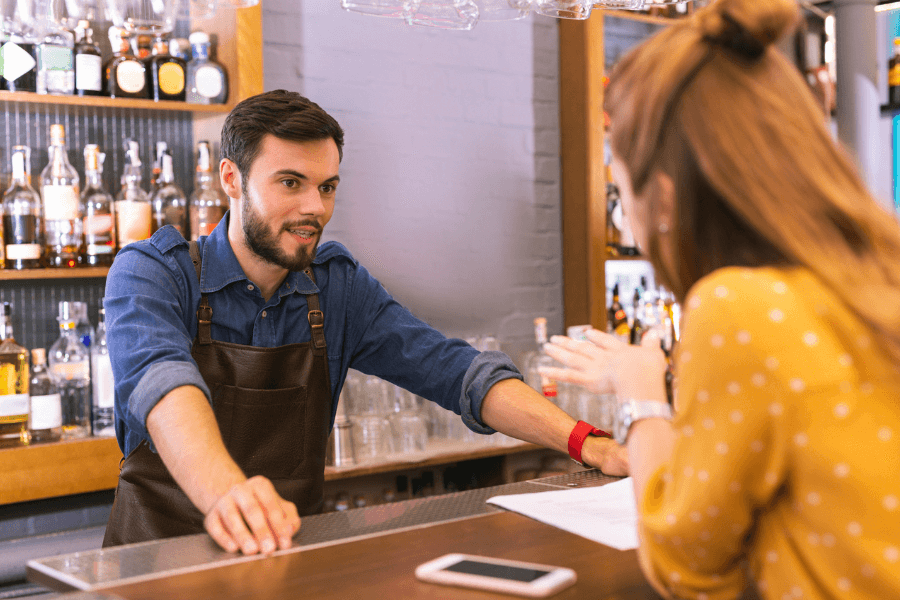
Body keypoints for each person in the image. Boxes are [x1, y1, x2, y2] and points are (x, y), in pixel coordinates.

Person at [101, 89, 628, 554]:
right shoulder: (151, 272)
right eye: (291, 182)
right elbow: (162, 382)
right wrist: (226, 493)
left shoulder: (336, 288)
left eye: (327, 187)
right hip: (152, 566)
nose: (315, 208)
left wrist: (588, 442)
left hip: (277, 558)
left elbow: (456, 371)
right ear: (231, 179)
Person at [540, 0, 900, 598]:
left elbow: (687, 565)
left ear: (662, 196)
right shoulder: (876, 277)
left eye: (622, 186)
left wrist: (641, 390)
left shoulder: (740, 308)